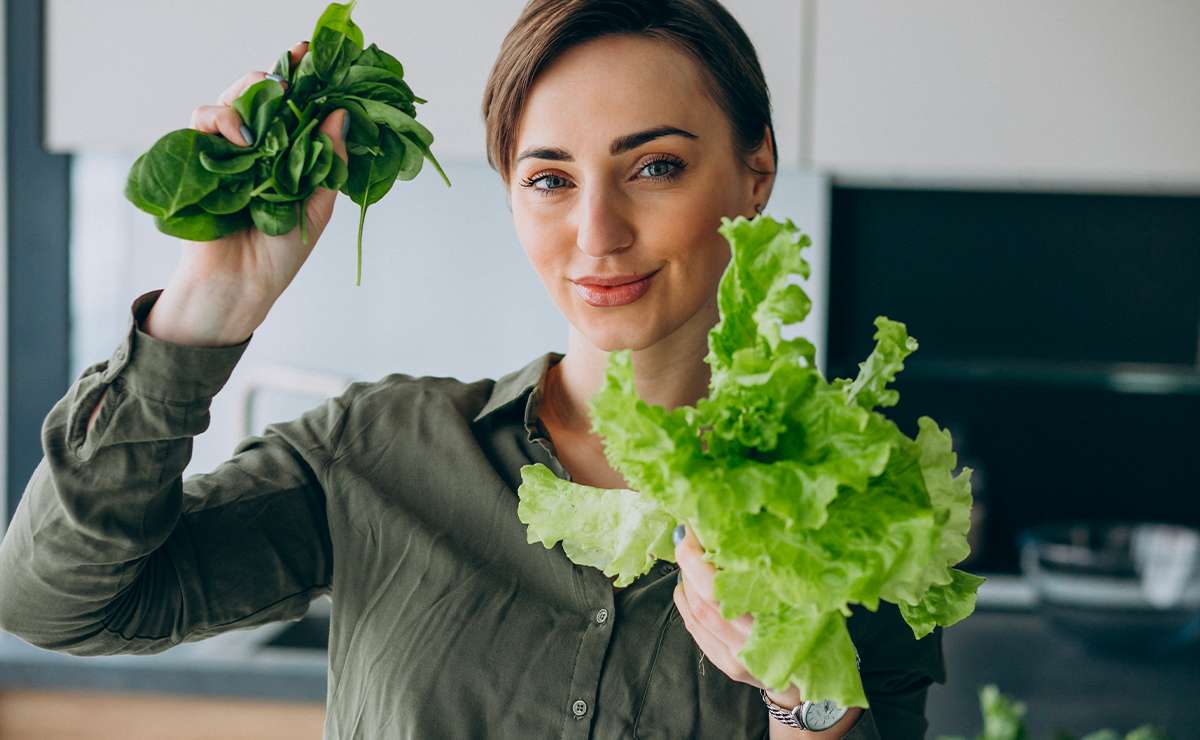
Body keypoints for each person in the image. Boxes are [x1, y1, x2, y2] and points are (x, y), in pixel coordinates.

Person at [0, 1, 946, 738]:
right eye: (549, 179)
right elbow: (54, 604)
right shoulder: (376, 454)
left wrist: (805, 693)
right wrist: (206, 313)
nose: (598, 233)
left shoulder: (857, 499)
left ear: (755, 170)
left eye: (654, 166)